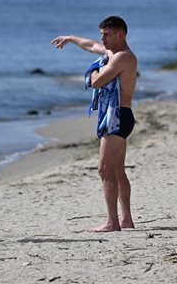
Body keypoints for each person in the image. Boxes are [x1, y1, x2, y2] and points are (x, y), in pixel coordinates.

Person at [51, 16, 137, 232]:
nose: (103, 39)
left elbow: (97, 81)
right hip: (118, 116)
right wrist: (70, 38)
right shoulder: (111, 54)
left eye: (107, 34)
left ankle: (112, 222)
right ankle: (126, 219)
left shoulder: (123, 58)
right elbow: (90, 46)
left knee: (104, 169)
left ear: (121, 34)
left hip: (117, 117)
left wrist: (93, 70)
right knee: (117, 170)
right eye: (102, 34)